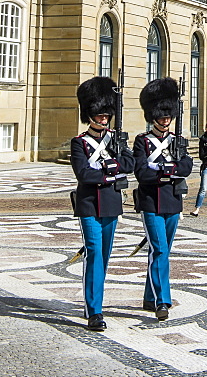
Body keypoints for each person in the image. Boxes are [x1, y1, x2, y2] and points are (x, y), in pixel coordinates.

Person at [70, 76, 134, 332]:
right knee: (94, 253)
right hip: (88, 205)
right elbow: (84, 174)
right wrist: (111, 172)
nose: (104, 117)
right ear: (91, 115)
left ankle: (96, 299)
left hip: (111, 204)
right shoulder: (80, 143)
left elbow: (129, 165)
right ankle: (94, 310)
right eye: (99, 113)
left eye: (107, 113)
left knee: (104, 257)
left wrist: (109, 168)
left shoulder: (116, 141)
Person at [133, 77, 193, 321]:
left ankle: (149, 296)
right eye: (161, 115)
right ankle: (162, 300)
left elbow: (187, 166)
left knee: (164, 250)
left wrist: (167, 169)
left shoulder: (177, 141)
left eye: (168, 115)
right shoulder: (142, 141)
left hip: (172, 200)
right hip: (150, 202)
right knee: (159, 250)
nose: (165, 119)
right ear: (153, 115)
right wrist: (168, 170)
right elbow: (141, 172)